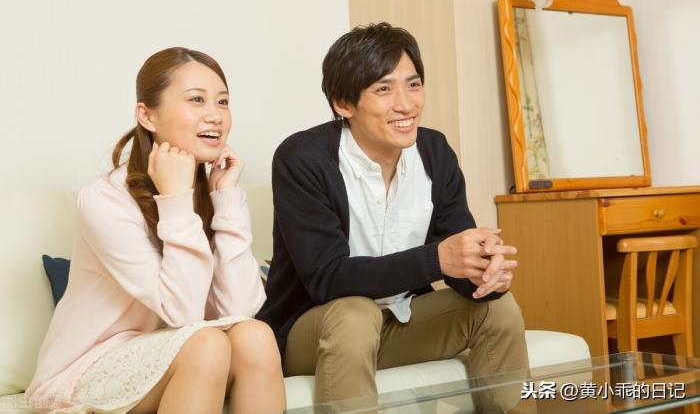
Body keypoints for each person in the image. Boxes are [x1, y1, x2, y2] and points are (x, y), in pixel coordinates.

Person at [257, 23, 528, 408]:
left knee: (497, 308)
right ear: (343, 104)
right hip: (316, 330)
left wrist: (485, 273)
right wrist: (438, 259)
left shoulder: (434, 151)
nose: (406, 104)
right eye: (384, 89)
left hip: (401, 321)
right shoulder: (303, 158)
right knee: (354, 314)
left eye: (413, 85)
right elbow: (326, 278)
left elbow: (457, 258)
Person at [26, 47, 285, 414]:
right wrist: (175, 200)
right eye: (196, 99)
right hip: (86, 368)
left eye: (223, 101)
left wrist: (226, 199)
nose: (215, 115)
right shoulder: (104, 200)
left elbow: (241, 309)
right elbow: (184, 314)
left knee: (256, 336)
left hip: (183, 349)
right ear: (147, 115)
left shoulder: (214, 191)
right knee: (206, 344)